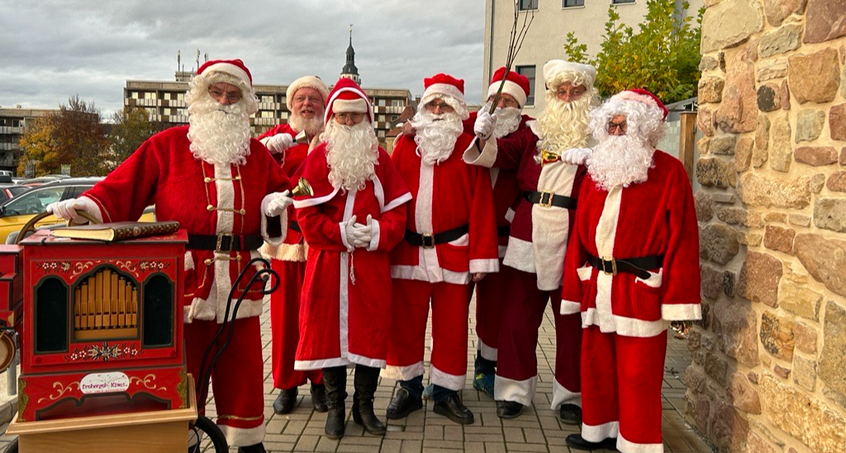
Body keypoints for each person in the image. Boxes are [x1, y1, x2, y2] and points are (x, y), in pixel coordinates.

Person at [47, 59, 291, 453]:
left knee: (243, 373)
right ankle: (184, 441)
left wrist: (274, 209)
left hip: (240, 284)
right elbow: (120, 188)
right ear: (200, 96)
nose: (224, 101)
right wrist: (85, 205)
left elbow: (281, 200)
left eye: (233, 95)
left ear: (245, 103)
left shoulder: (255, 155)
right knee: (182, 374)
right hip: (182, 283)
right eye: (216, 92)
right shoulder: (168, 145)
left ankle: (247, 445)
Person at [561, 89, 700, 452]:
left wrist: (679, 303)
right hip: (597, 285)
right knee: (597, 367)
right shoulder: (598, 172)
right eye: (612, 125)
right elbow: (579, 232)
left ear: (645, 129)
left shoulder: (669, 172)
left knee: (638, 375)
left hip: (640, 289)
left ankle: (637, 443)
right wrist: (575, 286)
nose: (618, 131)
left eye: (625, 125)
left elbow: (683, 240)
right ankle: (600, 432)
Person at [465, 60, 596, 421]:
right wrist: (485, 134)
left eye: (575, 91)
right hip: (528, 228)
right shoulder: (534, 132)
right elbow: (502, 156)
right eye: (560, 92)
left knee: (570, 319)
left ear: (587, 95)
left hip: (573, 235)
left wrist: (595, 159)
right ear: (551, 96)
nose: (567, 98)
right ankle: (514, 389)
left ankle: (570, 396)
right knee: (518, 316)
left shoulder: (597, 135)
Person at [292, 78, 411, 439]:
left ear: (367, 118)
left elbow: (398, 215)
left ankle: (364, 406)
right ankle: (335, 406)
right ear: (332, 119)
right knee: (326, 333)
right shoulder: (317, 159)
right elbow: (305, 214)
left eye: (355, 116)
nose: (348, 123)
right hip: (328, 263)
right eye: (342, 116)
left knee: (369, 333)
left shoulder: (381, 160)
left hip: (370, 266)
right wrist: (339, 233)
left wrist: (376, 234)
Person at [385, 73, 499, 425]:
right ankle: (408, 386)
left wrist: (481, 256)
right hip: (409, 252)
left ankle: (447, 392)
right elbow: (389, 199)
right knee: (406, 325)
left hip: (456, 251)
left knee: (451, 327)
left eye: (444, 104)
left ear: (456, 110)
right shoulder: (405, 146)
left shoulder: (468, 147)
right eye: (431, 104)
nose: (437, 110)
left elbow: (482, 204)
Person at [257, 75, 330, 415]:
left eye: (313, 99)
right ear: (291, 105)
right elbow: (251, 166)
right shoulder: (276, 138)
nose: (307, 105)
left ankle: (319, 382)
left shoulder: (333, 138)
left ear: (323, 105)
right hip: (286, 240)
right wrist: (267, 152)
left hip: (321, 239)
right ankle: (286, 383)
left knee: (317, 315)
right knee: (284, 318)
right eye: (300, 99)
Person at [465, 67, 533, 398]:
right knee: (459, 305)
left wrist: (512, 212)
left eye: (507, 100)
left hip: (504, 235)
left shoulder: (527, 133)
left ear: (518, 106)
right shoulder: (471, 124)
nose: (500, 105)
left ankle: (487, 363)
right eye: (495, 98)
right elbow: (436, 125)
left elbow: (509, 160)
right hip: (466, 235)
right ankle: (445, 370)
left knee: (496, 305)